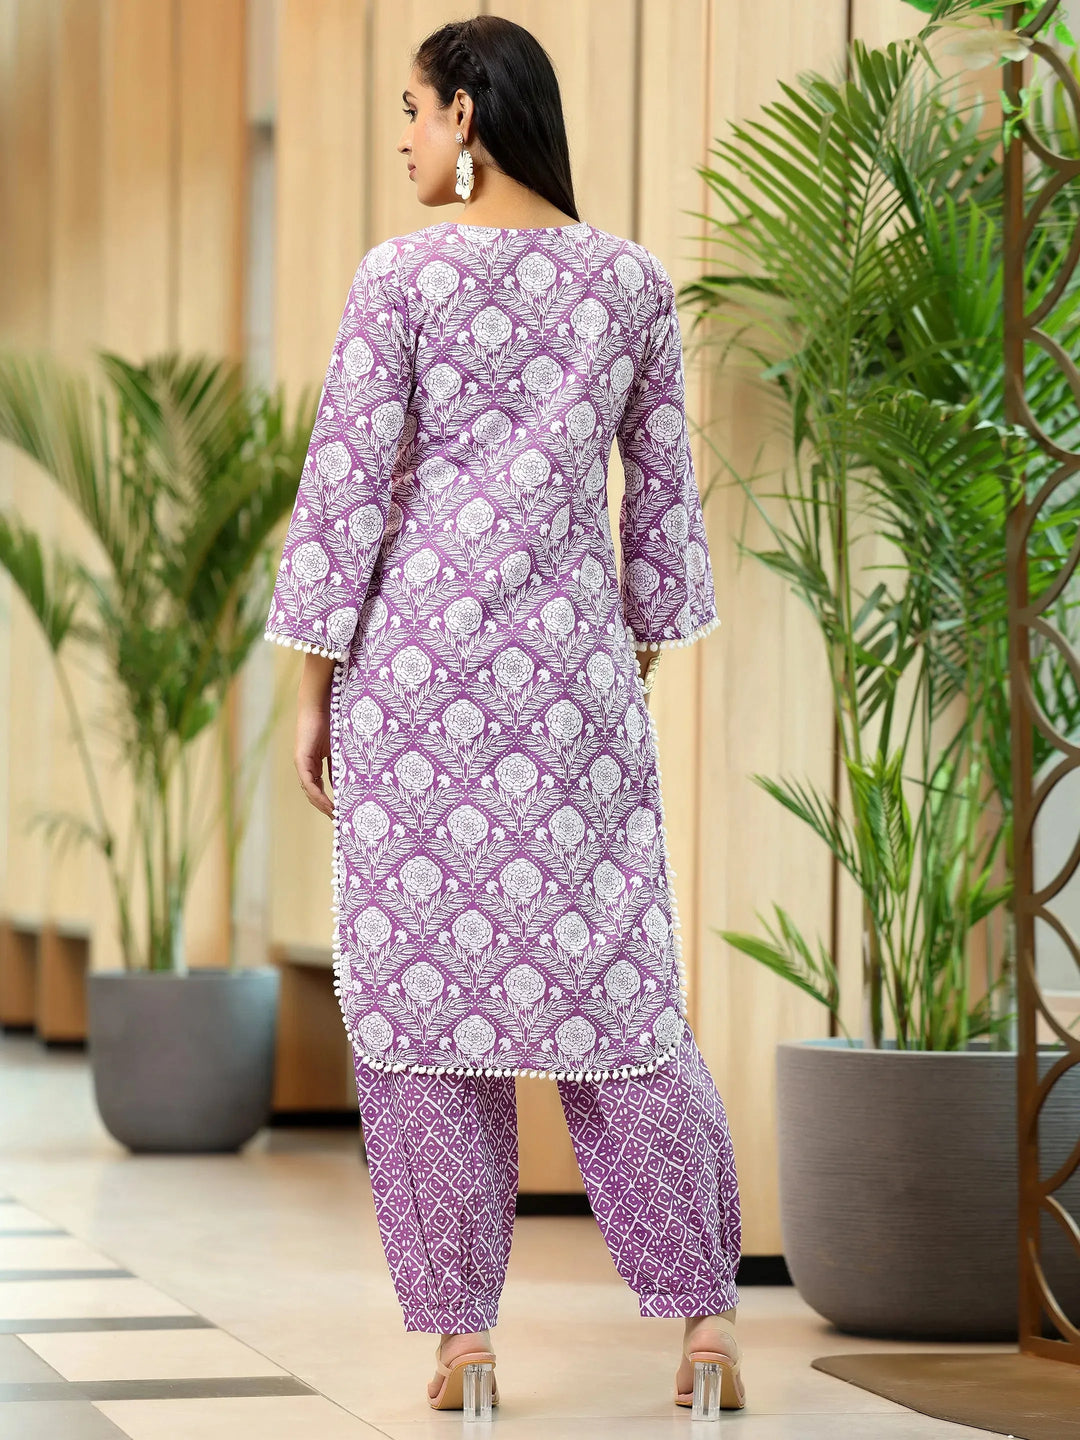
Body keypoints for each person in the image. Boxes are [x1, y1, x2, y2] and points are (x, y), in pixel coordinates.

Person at [264, 13, 744, 1417]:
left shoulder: (401, 280)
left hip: (415, 692)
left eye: (412, 111)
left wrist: (314, 690)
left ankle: (463, 1342)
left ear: (467, 114)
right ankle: (707, 1327)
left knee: (422, 1019)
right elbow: (660, 512)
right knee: (622, 1005)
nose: (404, 139)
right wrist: (617, 662)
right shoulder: (631, 282)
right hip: (575, 695)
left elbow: (345, 493)